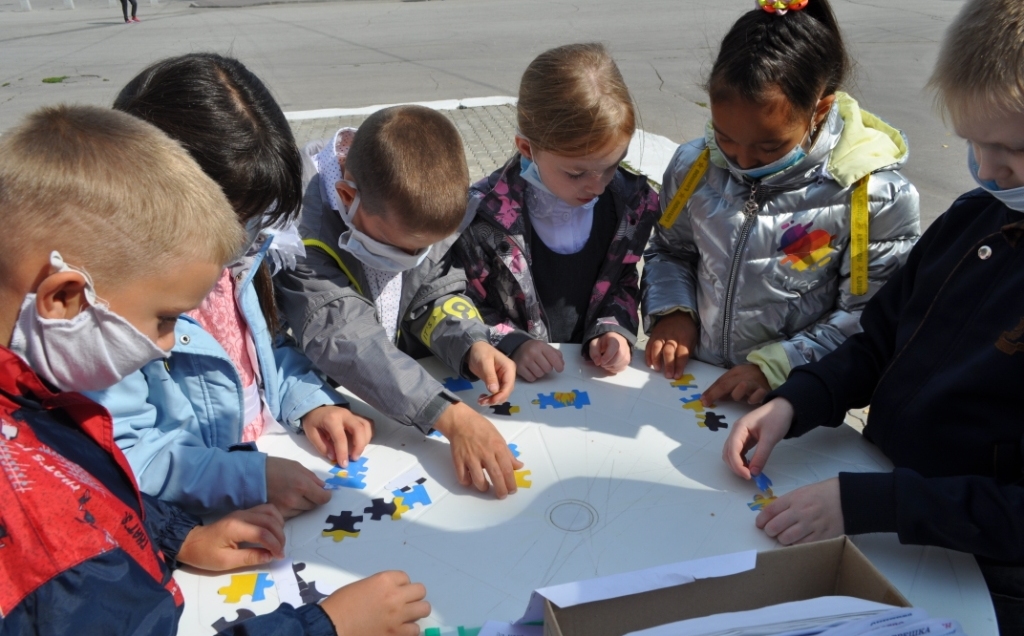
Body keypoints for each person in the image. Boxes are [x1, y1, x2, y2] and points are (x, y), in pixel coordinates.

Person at [0, 104, 430, 636]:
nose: (167, 345)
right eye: (166, 321)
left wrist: (178, 536)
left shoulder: (38, 399)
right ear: (65, 298)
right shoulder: (34, 516)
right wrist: (327, 627)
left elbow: (99, 495)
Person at [721, 0, 1024, 631]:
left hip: (988, 578)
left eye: (1011, 149)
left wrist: (871, 501)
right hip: (887, 519)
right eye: (974, 142)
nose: (988, 170)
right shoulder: (976, 216)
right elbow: (883, 337)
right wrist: (798, 400)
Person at [85, 53, 366, 518]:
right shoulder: (120, 309)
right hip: (204, 512)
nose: (247, 237)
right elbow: (129, 453)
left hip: (267, 466)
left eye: (256, 217)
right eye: (234, 220)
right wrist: (247, 479)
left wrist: (310, 403)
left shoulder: (237, 264)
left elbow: (264, 351)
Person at [641, 0, 920, 406]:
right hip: (694, 381)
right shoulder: (694, 166)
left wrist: (777, 366)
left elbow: (868, 317)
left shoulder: (872, 197)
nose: (742, 160)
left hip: (789, 400)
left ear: (820, 110)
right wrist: (674, 311)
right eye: (725, 137)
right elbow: (670, 250)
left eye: (769, 147)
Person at [276, 106, 523, 499]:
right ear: (347, 196)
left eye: (423, 248)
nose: (412, 257)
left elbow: (433, 290)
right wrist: (449, 416)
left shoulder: (410, 203)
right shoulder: (299, 229)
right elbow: (344, 334)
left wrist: (470, 342)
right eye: (400, 247)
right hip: (317, 402)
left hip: (390, 397)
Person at [454, 43, 660, 381]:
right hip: (513, 386)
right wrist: (512, 344)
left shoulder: (628, 204)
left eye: (612, 165)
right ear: (527, 148)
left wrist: (613, 328)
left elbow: (622, 279)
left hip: (590, 380)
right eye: (576, 173)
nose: (597, 186)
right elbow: (458, 301)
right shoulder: (481, 217)